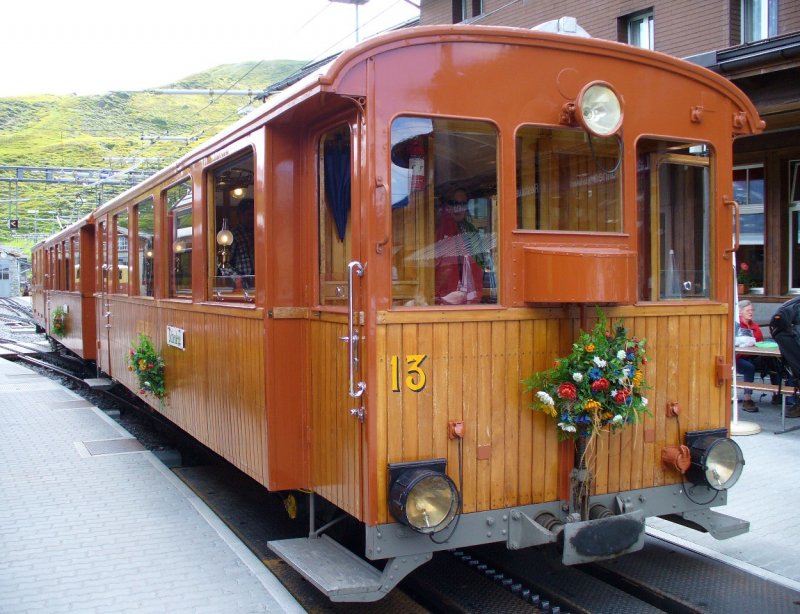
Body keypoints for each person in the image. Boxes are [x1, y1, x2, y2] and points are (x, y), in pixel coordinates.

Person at [434, 188, 485, 305]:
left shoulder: (471, 230)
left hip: (466, 294)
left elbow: (480, 264)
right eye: (454, 203)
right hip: (442, 295)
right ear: (447, 205)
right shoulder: (437, 227)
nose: (459, 208)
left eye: (463, 203)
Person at [735, 300, 783, 412]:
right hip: (737, 357)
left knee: (773, 362)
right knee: (749, 368)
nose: (751, 312)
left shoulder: (754, 326)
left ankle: (777, 393)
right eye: (748, 310)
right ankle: (748, 400)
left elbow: (760, 341)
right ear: (740, 312)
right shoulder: (736, 326)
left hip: (752, 356)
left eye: (752, 310)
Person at [229, 198, 255, 284]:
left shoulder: (262, 233)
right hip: (242, 283)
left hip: (263, 279)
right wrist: (237, 278)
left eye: (254, 215)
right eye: (249, 215)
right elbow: (223, 264)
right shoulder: (233, 235)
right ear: (240, 216)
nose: (252, 218)